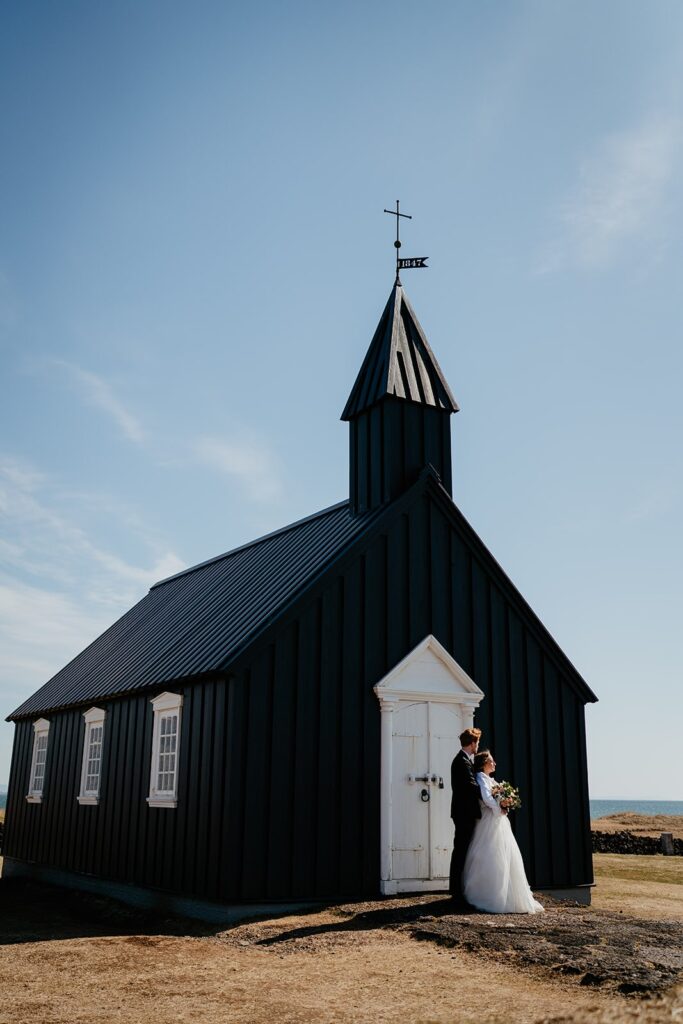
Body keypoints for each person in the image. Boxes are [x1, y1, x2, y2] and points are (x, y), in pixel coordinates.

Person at [463, 750, 544, 914]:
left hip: (498, 821)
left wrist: (505, 803)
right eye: (491, 761)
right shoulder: (481, 778)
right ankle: (488, 895)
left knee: (505, 855)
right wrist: (499, 808)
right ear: (484, 763)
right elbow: (486, 798)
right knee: (489, 855)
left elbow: (494, 796)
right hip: (490, 820)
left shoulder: (490, 779)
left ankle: (508, 896)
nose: (494, 763)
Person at [449, 726, 482, 907]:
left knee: (462, 850)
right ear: (472, 743)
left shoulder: (465, 760)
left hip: (464, 813)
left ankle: (457, 889)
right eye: (477, 742)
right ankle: (456, 891)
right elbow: (470, 786)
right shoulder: (461, 762)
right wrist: (490, 794)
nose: (478, 746)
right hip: (463, 814)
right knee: (460, 851)